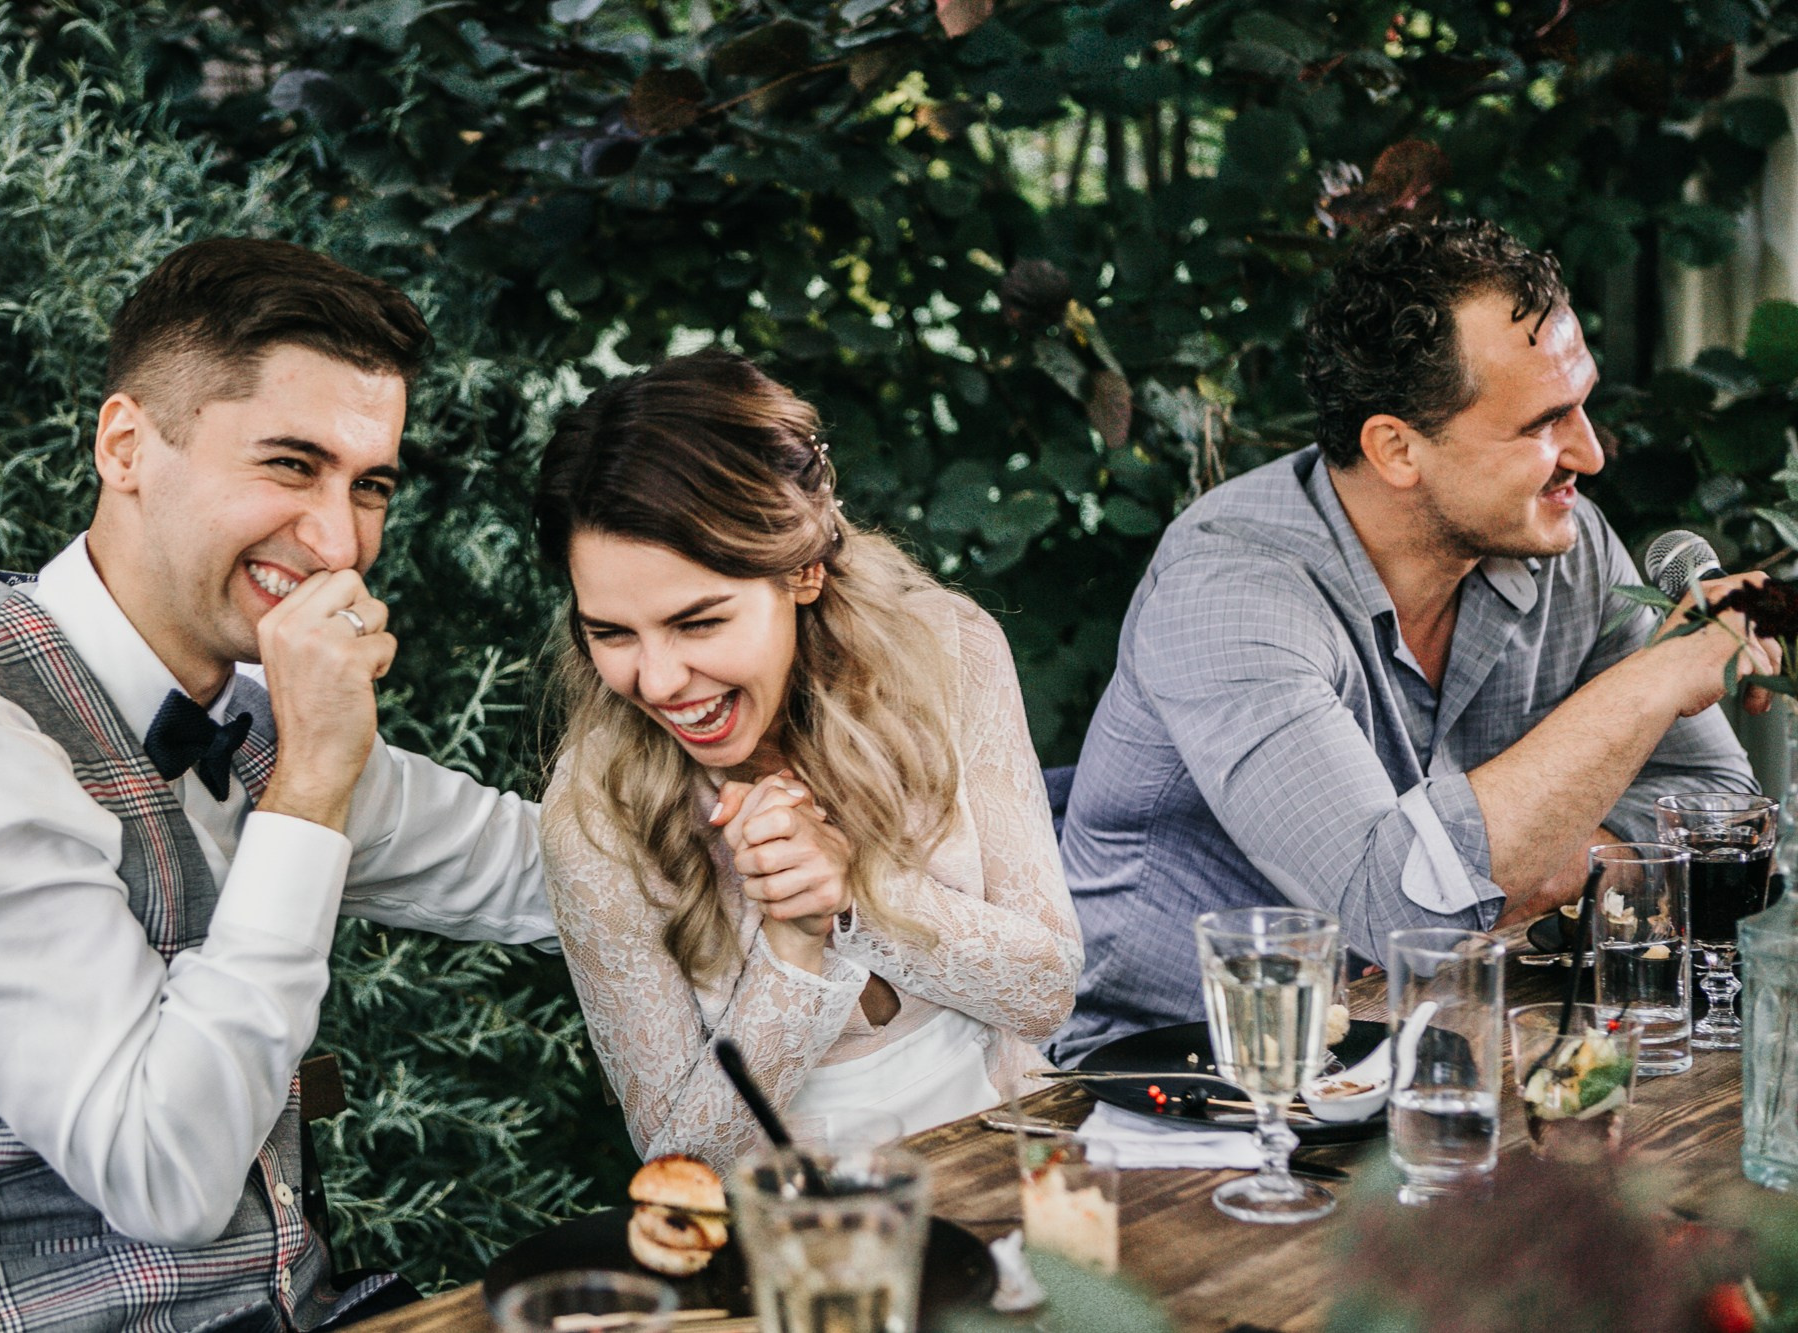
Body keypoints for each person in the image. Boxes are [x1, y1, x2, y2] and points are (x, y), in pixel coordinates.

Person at [0, 239, 554, 1332]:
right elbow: (166, 1176)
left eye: (370, 485)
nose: (339, 541)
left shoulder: (251, 710)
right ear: (126, 447)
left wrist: (774, 825)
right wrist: (310, 786)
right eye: (289, 465)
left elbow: (550, 873)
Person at [1050, 218, 1772, 1062]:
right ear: (1396, 448)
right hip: (1181, 1078)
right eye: (1544, 422)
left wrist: (1531, 863)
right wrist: (1652, 682)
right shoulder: (1230, 589)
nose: (1589, 453)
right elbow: (1396, 910)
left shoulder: (1562, 544)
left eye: (1583, 403)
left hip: (1443, 1047)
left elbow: (1716, 804)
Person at [534, 350, 1082, 1171]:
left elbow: (1046, 991)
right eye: (611, 632)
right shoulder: (592, 811)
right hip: (800, 1218)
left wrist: (858, 894)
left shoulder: (950, 651)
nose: (657, 679)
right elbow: (683, 1162)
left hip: (1015, 1149)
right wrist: (791, 952)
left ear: (803, 570)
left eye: (698, 621)